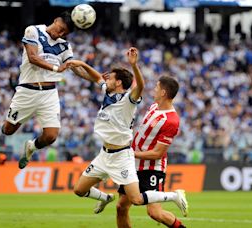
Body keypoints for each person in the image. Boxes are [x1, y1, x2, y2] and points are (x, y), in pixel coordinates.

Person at [69, 47, 188, 219]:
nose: (105, 79)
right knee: (79, 190)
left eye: (110, 77)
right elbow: (95, 76)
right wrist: (78, 64)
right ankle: (105, 198)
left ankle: (174, 196)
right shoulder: (108, 92)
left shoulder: (128, 101)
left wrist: (134, 65)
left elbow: (140, 86)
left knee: (137, 199)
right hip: (104, 154)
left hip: (122, 156)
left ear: (118, 83)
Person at [1, 11, 99, 169]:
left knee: (51, 136)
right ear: (55, 20)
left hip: (49, 93)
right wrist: (56, 68)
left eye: (64, 33)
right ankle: (13, 120)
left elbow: (76, 69)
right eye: (60, 29)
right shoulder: (33, 31)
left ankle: (31, 147)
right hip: (27, 90)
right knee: (8, 130)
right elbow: (33, 57)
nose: (60, 33)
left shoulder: (65, 46)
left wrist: (99, 79)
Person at [117, 76, 185, 228]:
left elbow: (157, 153)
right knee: (121, 207)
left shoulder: (171, 120)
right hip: (132, 165)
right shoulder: (154, 106)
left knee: (154, 213)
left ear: (163, 92)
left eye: (156, 87)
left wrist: (130, 152)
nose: (153, 89)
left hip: (151, 168)